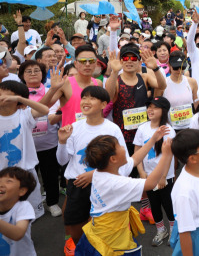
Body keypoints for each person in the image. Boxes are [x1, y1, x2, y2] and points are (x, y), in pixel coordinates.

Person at [74, 127, 173, 255]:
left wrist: (153, 139)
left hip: (102, 231)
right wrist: (166, 155)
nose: (123, 147)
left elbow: (136, 159)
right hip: (112, 239)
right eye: (119, 146)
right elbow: (150, 183)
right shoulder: (116, 183)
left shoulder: (102, 172)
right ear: (113, 159)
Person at [55, 86, 130, 247]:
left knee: (103, 228)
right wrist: (61, 142)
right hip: (77, 185)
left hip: (104, 186)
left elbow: (125, 163)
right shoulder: (74, 128)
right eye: (84, 97)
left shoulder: (112, 129)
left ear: (104, 104)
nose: (86, 102)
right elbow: (62, 161)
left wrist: (95, 175)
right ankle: (81, 248)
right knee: (75, 226)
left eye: (92, 98)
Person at [18, 61, 64, 217]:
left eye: (36, 70)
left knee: (50, 175)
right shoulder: (18, 94)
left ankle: (52, 202)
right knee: (27, 178)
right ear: (22, 75)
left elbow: (53, 109)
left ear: (43, 74)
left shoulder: (51, 91)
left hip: (49, 142)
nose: (32, 73)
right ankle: (28, 207)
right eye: (28, 71)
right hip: (26, 145)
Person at [0, 80, 49, 220]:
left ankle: (24, 237)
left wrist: (21, 99)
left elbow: (44, 110)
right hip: (2, 173)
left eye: (7, 96)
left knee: (27, 213)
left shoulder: (24, 114)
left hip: (25, 171)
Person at [133, 96, 177, 246]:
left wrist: (163, 176)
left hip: (165, 177)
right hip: (148, 177)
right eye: (149, 107)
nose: (150, 110)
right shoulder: (142, 128)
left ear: (163, 111)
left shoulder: (168, 130)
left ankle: (173, 231)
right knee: (154, 205)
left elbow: (169, 155)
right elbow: (137, 150)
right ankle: (161, 230)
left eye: (155, 107)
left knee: (169, 205)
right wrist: (141, 171)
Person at [0, 167, 38, 256]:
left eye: (8, 181)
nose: (1, 184)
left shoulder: (23, 207)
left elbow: (18, 233)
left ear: (22, 191)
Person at [164, 52, 198, 131]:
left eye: (182, 67)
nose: (179, 70)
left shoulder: (192, 82)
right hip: (172, 128)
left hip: (190, 126)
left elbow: (197, 105)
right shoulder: (164, 84)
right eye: (175, 67)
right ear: (169, 65)